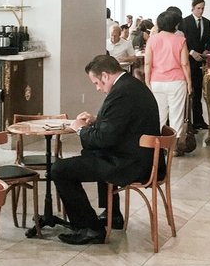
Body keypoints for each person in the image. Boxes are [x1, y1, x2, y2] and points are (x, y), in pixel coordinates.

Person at [50, 55, 161, 246]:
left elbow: (104, 138)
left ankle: (90, 228)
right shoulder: (130, 85)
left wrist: (79, 128)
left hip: (132, 164)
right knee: (92, 154)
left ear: (105, 75)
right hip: (139, 157)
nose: (97, 88)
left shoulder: (121, 93)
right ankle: (113, 215)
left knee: (60, 169)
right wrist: (96, 121)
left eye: (96, 82)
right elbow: (120, 125)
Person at [144, 7, 189, 136]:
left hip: (156, 80)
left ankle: (159, 145)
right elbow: (185, 64)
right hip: (177, 81)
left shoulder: (152, 40)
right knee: (176, 115)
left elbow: (147, 62)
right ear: (175, 25)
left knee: (159, 114)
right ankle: (173, 147)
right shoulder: (180, 40)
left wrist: (147, 80)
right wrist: (189, 82)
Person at [183, 0, 210, 131]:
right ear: (193, 8)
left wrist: (207, 49)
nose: (200, 11)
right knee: (191, 92)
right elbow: (183, 42)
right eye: (198, 8)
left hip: (201, 59)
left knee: (200, 91)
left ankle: (199, 120)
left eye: (202, 8)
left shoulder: (207, 22)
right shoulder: (185, 22)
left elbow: (208, 39)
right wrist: (191, 52)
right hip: (189, 59)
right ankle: (189, 123)